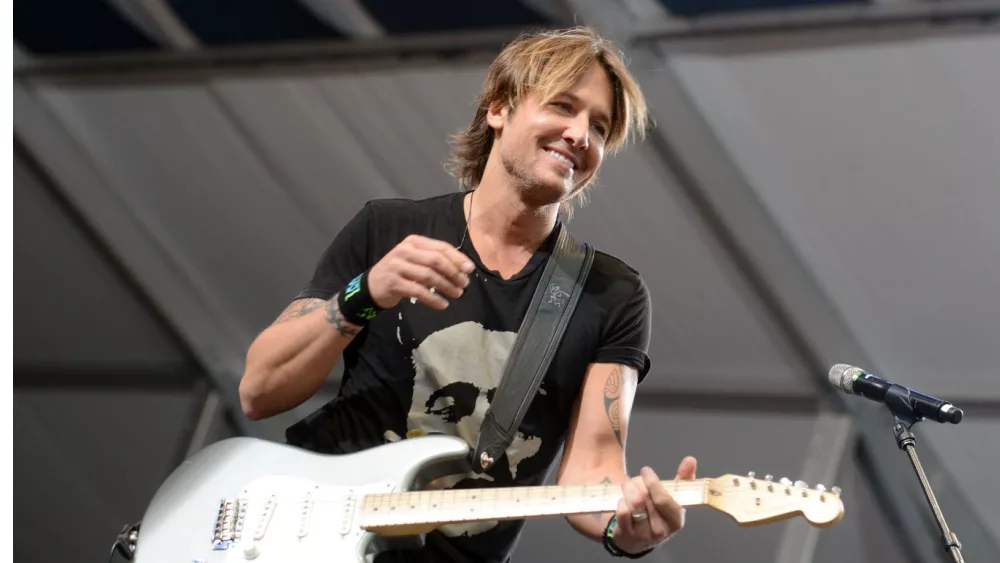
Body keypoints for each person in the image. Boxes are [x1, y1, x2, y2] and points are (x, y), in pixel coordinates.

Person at [239, 26, 697, 562]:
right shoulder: (387, 229)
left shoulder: (610, 294)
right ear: (499, 109)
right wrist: (364, 294)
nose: (580, 135)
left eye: (599, 126)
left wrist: (627, 528)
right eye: (563, 107)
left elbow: (595, 465)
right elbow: (258, 390)